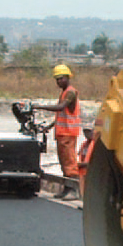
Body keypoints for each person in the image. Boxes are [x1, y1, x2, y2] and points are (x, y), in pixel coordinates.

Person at [34, 64, 80, 199]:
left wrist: (40, 106)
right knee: (64, 163)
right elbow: (62, 114)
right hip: (62, 133)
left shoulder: (70, 92)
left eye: (61, 78)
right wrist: (49, 126)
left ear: (67, 77)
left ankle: (74, 190)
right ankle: (67, 188)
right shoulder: (64, 93)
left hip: (68, 133)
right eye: (57, 79)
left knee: (70, 162)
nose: (59, 82)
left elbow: (60, 108)